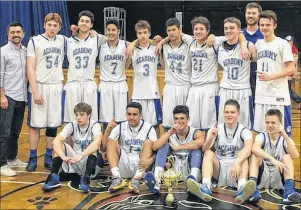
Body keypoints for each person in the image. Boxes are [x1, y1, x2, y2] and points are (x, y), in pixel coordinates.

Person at [187, 99, 255, 204]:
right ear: (223, 113)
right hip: (219, 169)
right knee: (208, 153)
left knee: (244, 158)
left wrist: (237, 162)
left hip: (237, 170)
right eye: (226, 112)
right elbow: (204, 150)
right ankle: (206, 186)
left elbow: (248, 147)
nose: (229, 115)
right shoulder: (216, 129)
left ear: (238, 113)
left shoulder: (244, 130)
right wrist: (210, 138)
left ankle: (242, 188)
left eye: (232, 112)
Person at [26, 13, 66, 172]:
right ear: (44, 25)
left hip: (56, 86)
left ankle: (48, 156)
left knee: (52, 124)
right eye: (49, 25)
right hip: (40, 86)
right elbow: (30, 67)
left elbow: (85, 35)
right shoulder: (34, 41)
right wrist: (35, 91)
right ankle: (32, 157)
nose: (52, 28)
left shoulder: (63, 40)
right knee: (35, 125)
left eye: (55, 26)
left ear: (59, 28)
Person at [41, 102, 102, 193]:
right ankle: (53, 177)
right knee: (60, 145)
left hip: (90, 162)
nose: (78, 118)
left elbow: (97, 143)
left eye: (82, 115)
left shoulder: (95, 125)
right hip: (75, 161)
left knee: (93, 148)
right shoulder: (72, 125)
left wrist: (81, 155)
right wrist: (63, 156)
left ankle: (86, 179)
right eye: (76, 115)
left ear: (89, 115)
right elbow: (55, 141)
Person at [144, 105, 204, 193]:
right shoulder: (169, 132)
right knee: (164, 146)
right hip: (172, 170)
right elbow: (155, 147)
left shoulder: (195, 132)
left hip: (189, 167)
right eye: (176, 118)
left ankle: (193, 181)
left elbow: (200, 142)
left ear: (188, 119)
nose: (179, 121)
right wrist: (170, 133)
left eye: (182, 118)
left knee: (196, 149)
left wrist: (177, 148)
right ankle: (156, 180)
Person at [253, 10, 295, 135]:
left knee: (282, 135)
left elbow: (291, 69)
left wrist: (271, 76)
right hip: (261, 96)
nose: (264, 28)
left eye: (268, 25)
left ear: (275, 25)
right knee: (262, 135)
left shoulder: (282, 44)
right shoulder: (258, 44)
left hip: (278, 97)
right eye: (262, 25)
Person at [247, 109, 301, 204]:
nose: (270, 125)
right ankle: (253, 191)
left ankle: (288, 192)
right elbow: (255, 148)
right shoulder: (261, 136)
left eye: (273, 122)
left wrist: (285, 135)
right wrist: (272, 159)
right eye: (267, 122)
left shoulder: (286, 139)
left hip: (278, 174)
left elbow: (295, 155)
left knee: (287, 157)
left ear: (280, 124)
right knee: (255, 155)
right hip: (263, 174)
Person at [64, 10, 106, 123]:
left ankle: (91, 141)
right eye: (81, 21)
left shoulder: (97, 39)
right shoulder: (68, 41)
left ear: (91, 25)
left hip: (88, 84)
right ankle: (70, 141)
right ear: (78, 23)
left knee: (91, 120)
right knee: (71, 121)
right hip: (73, 83)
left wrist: (96, 33)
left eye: (87, 22)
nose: (84, 23)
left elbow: (113, 39)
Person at [105, 102, 157, 194]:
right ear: (126, 114)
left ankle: (136, 179)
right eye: (129, 114)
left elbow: (157, 150)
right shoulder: (120, 127)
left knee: (149, 143)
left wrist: (150, 161)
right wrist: (107, 131)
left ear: (140, 115)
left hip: (141, 165)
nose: (131, 117)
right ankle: (117, 178)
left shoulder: (149, 128)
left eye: (135, 114)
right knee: (111, 141)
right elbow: (104, 147)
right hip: (123, 163)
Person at [217, 17, 256, 129]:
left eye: (232, 28)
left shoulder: (249, 46)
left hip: (242, 90)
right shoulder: (219, 47)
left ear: (239, 30)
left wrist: (243, 45)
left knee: (244, 125)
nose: (228, 30)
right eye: (226, 28)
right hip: (225, 89)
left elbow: (254, 59)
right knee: (222, 124)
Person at [0, 22, 27, 176]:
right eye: (12, 32)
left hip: (21, 97)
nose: (15, 35)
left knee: (15, 131)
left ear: (23, 34)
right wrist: (2, 96)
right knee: (4, 132)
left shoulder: (25, 51)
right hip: (7, 97)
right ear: (8, 34)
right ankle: (2, 163)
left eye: (18, 32)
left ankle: (12, 158)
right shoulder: (3, 52)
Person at [126, 20, 162, 134]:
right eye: (140, 33)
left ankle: (155, 150)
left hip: (152, 93)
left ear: (149, 33)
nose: (143, 35)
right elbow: (125, 67)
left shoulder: (155, 49)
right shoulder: (133, 50)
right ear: (136, 34)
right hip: (137, 93)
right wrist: (131, 46)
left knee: (154, 125)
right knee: (136, 126)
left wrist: (159, 42)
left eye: (145, 32)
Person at [157, 18, 193, 131]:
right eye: (169, 30)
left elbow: (194, 38)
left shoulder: (189, 45)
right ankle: (168, 146)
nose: (171, 33)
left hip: (185, 85)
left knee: (187, 120)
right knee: (168, 121)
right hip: (170, 86)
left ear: (180, 30)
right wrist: (161, 42)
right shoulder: (164, 46)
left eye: (174, 30)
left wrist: (162, 40)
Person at [98, 19, 129, 130]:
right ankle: (105, 146)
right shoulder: (100, 45)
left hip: (120, 84)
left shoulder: (125, 44)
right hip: (105, 84)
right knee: (106, 121)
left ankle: (121, 146)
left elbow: (141, 41)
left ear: (118, 31)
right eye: (108, 30)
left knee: (122, 120)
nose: (111, 32)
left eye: (113, 30)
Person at [242, 2, 264, 102]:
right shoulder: (239, 34)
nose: (251, 15)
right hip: (243, 78)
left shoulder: (265, 33)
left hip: (260, 77)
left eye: (254, 13)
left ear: (259, 15)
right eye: (248, 13)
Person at [285, 35, 301, 107]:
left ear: (292, 42)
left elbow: (292, 62)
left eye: (289, 41)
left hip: (289, 74)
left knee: (287, 90)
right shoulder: (286, 49)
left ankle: (298, 100)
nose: (288, 42)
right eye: (287, 41)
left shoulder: (293, 50)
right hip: (286, 73)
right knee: (287, 90)